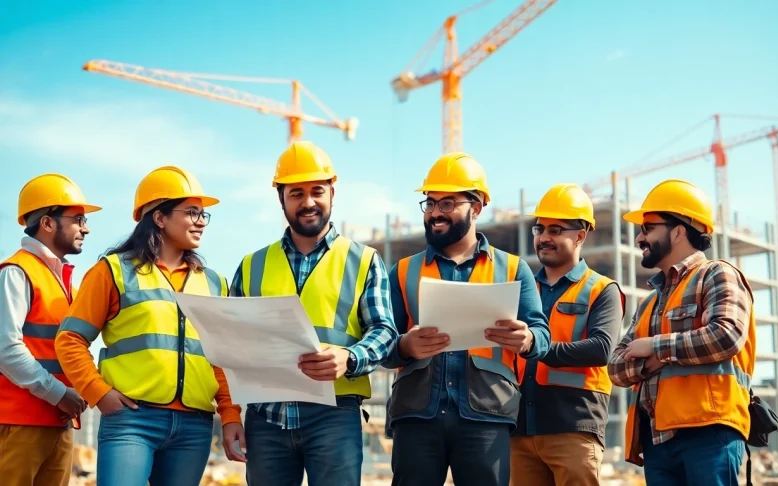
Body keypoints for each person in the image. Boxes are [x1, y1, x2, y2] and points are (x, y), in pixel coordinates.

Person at [55, 166, 245, 486]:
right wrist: (99, 392)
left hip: (194, 426)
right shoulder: (113, 271)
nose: (201, 220)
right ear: (159, 217)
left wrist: (230, 415)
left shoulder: (215, 283)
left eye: (204, 214)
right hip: (132, 421)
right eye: (192, 212)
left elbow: (222, 359)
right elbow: (70, 339)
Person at [229, 141, 398, 486]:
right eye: (296, 193)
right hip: (266, 419)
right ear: (281, 198)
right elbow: (231, 342)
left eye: (317, 191)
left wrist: (349, 357)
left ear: (332, 193)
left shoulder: (363, 260)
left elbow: (385, 331)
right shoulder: (251, 265)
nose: (308, 202)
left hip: (334, 416)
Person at [383, 152, 551, 486]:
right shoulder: (403, 271)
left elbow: (541, 336)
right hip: (417, 416)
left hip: (486, 418)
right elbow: (381, 343)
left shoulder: (513, 269)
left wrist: (527, 339)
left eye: (447, 204)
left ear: (476, 208)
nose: (435, 213)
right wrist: (404, 345)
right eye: (429, 203)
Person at [607, 179, 756, 485]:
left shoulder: (718, 274)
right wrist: (654, 360)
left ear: (678, 231)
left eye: (648, 227)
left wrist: (656, 347)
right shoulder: (650, 301)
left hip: (709, 432)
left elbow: (726, 336)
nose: (639, 237)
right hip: (658, 439)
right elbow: (616, 369)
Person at [511, 183, 625, 486]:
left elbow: (601, 349)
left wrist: (538, 345)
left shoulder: (602, 290)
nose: (544, 237)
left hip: (573, 429)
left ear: (580, 235)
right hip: (519, 430)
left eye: (556, 229)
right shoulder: (521, 290)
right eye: (540, 229)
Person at [0, 173, 100, 486]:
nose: (86, 227)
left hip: (58, 422)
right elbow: (6, 348)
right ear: (47, 222)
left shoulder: (62, 280)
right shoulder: (17, 272)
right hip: (19, 424)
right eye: (78, 219)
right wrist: (59, 395)